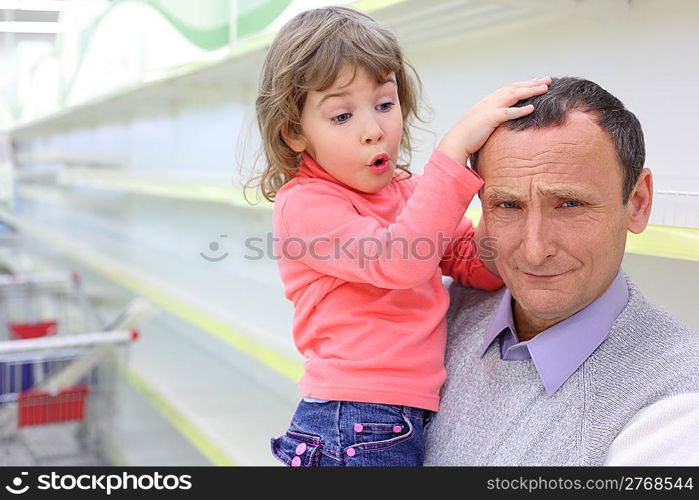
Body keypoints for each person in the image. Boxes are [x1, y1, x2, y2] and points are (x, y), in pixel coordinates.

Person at [251, 6, 551, 466]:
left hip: (396, 418)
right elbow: (399, 260)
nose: (374, 131)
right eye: (341, 116)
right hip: (349, 419)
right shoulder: (305, 204)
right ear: (294, 131)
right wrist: (452, 154)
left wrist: (503, 196)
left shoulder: (408, 192)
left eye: (385, 105)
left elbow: (476, 266)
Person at [424, 77, 699, 466]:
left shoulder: (679, 406)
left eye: (570, 203)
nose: (535, 251)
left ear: (637, 202)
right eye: (507, 205)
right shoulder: (438, 314)